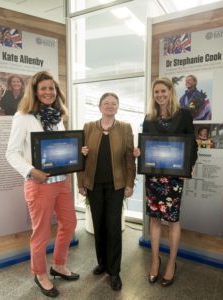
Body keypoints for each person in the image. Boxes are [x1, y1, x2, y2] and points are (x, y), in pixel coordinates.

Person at [6, 71, 80, 298]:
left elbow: (59, 148)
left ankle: (58, 265)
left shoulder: (57, 117)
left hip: (61, 181)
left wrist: (78, 152)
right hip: (39, 185)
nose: (48, 92)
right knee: (41, 232)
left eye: (52, 88)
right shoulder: (23, 117)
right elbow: (11, 153)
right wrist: (31, 171)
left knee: (70, 223)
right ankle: (40, 274)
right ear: (35, 92)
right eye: (44, 88)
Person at [134, 77, 197, 287]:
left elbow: (192, 145)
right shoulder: (149, 117)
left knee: (172, 220)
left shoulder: (184, 114)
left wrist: (189, 167)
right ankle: (155, 259)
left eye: (163, 91)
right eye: (156, 92)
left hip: (174, 176)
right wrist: (139, 153)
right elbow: (145, 144)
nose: (160, 95)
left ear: (171, 91)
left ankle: (171, 262)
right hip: (153, 176)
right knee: (154, 219)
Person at [77, 92, 136, 291]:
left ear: (118, 107)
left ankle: (114, 271)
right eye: (106, 103)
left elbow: (130, 159)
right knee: (99, 226)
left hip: (115, 186)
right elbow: (81, 156)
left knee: (113, 228)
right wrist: (81, 182)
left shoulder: (125, 128)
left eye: (113, 103)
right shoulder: (88, 127)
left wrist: (130, 184)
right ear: (100, 106)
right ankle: (102, 263)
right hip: (93, 184)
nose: (110, 106)